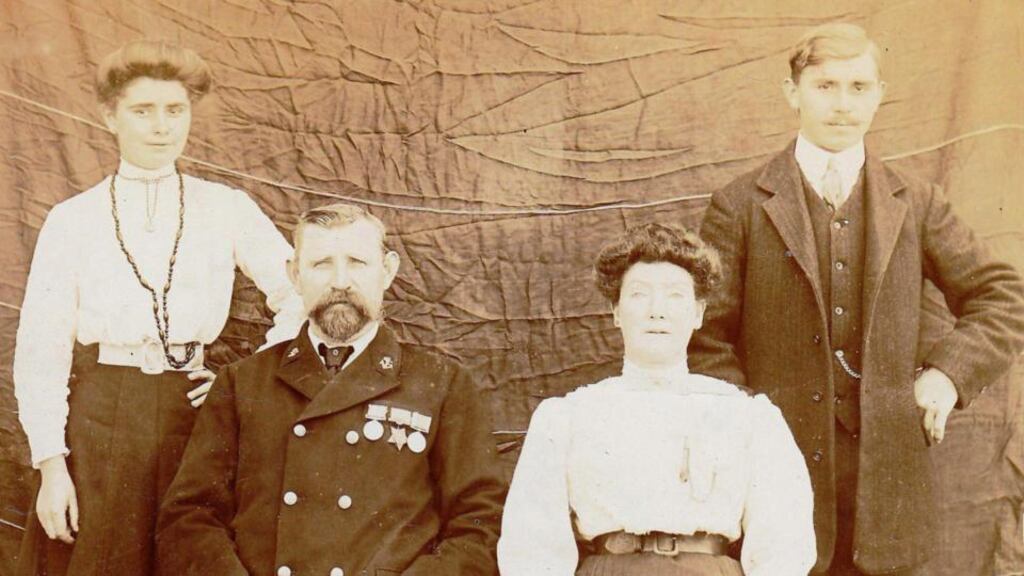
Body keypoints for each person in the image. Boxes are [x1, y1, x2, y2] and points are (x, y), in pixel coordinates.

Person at [689, 22, 1024, 575]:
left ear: (880, 94)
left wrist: (946, 374)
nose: (843, 105)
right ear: (791, 93)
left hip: (887, 493)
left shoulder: (916, 201)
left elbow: (1004, 297)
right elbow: (703, 337)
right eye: (825, 87)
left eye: (859, 87)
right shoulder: (740, 205)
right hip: (776, 485)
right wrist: (750, 426)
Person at [13, 40, 304, 575]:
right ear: (110, 116)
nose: (161, 126)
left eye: (175, 110)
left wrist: (245, 379)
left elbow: (302, 294)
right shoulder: (72, 219)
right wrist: (52, 466)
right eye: (142, 111)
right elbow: (41, 347)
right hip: (101, 421)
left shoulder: (226, 207)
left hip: (195, 416)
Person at [156, 203, 506, 576]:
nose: (340, 281)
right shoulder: (242, 382)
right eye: (321, 264)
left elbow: (480, 523)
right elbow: (189, 518)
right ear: (294, 275)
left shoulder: (443, 384)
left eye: (357, 262)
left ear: (387, 271)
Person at [498, 223, 815, 576]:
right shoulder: (568, 417)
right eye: (638, 294)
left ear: (697, 314)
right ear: (616, 312)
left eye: (675, 295)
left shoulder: (748, 416)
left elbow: (783, 545)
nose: (656, 311)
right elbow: (532, 549)